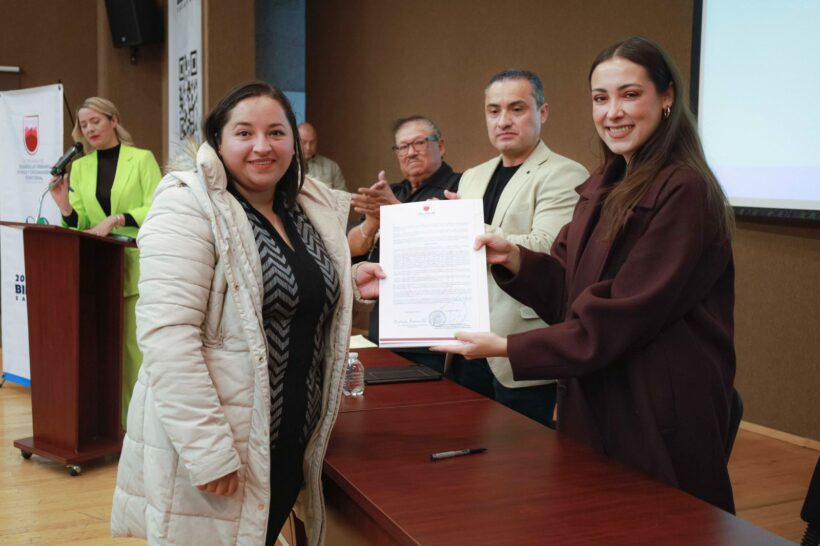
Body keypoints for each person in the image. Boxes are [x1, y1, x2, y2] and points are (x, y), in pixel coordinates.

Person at [434, 37, 737, 514]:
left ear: (667, 97)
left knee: (656, 522)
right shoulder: (604, 183)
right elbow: (566, 284)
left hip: (655, 402)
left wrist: (508, 346)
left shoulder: (685, 189)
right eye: (600, 98)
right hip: (597, 394)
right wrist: (512, 257)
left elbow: (624, 313)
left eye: (629, 95)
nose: (612, 112)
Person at [110, 82, 383, 545]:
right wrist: (208, 451)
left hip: (291, 436)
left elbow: (282, 296)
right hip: (224, 444)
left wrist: (350, 285)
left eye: (276, 132)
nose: (262, 146)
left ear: (294, 143)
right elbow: (168, 339)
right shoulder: (186, 206)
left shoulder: (302, 207)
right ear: (217, 142)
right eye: (244, 133)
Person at [451, 70, 588, 426]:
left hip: (523, 341)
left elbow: (546, 248)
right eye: (493, 111)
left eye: (516, 109)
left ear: (542, 112)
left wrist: (465, 227)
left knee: (525, 452)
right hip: (470, 343)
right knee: (466, 444)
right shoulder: (472, 176)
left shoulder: (565, 173)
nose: (503, 121)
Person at [48, 96, 161, 427]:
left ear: (114, 120)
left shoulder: (141, 160)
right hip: (98, 268)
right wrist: (65, 207)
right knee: (102, 351)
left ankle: (137, 426)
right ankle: (108, 426)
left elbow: (158, 206)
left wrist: (118, 218)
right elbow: (82, 223)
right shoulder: (81, 168)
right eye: (83, 125)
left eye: (95, 121)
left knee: (133, 351)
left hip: (136, 265)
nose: (89, 129)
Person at [348, 115, 461, 372]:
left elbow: (447, 246)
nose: (410, 153)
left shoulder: (459, 186)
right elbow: (351, 247)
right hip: (385, 325)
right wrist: (372, 222)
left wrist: (394, 210)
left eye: (419, 143)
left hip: (434, 329)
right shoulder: (393, 191)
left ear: (441, 145)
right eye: (402, 147)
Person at [298, 122, 347, 190]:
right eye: (303, 142)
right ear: (295, 141)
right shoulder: (287, 165)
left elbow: (343, 194)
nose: (308, 147)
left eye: (312, 142)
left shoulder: (332, 167)